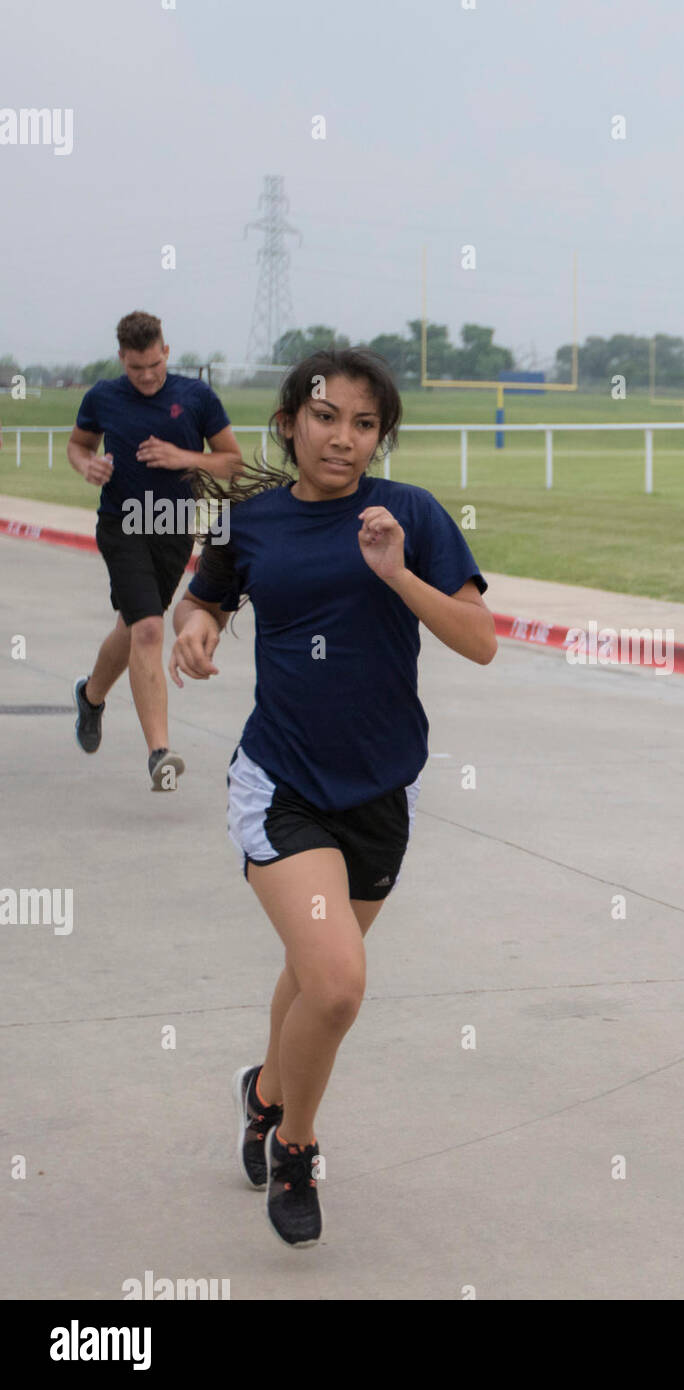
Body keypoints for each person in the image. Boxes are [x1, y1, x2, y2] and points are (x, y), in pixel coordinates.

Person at [168, 347, 495, 1247]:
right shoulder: (253, 521)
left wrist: (397, 574)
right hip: (282, 783)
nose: (343, 438)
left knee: (315, 976)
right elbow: (205, 603)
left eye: (363, 424)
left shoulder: (413, 517)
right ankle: (297, 1147)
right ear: (289, 423)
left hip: (383, 787)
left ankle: (264, 1092)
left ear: (379, 436)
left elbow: (480, 640)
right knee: (341, 985)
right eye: (325, 417)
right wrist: (193, 635)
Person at [67, 311, 242, 788]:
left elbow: (232, 463)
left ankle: (92, 695)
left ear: (166, 351)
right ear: (122, 358)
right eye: (136, 368)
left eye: (154, 366)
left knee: (131, 624)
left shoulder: (196, 397)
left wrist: (183, 457)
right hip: (121, 524)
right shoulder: (102, 396)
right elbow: (78, 445)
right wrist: (87, 466)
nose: (146, 377)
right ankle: (159, 752)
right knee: (148, 627)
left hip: (173, 528)